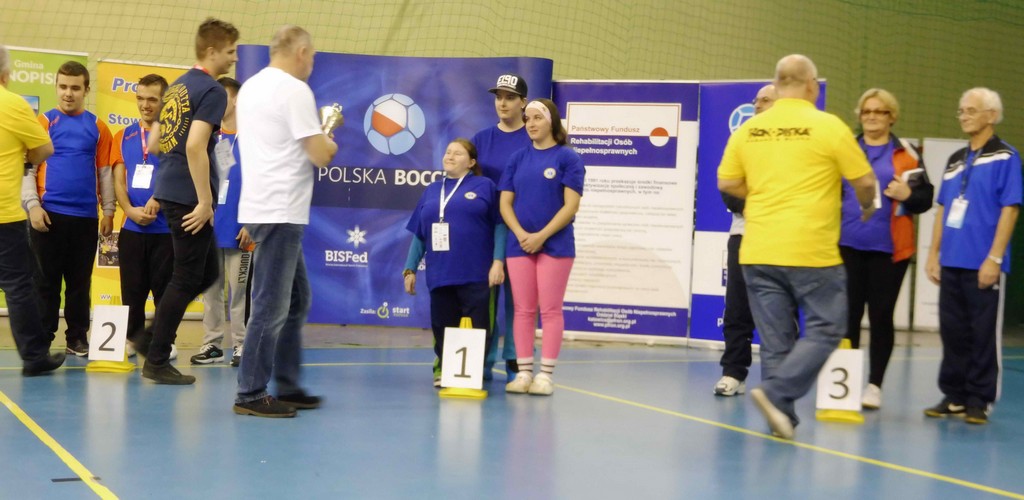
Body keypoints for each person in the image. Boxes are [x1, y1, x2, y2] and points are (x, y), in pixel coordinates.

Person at [717, 54, 877, 439]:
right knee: (828, 327)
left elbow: (727, 183)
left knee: (776, 341)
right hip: (811, 250)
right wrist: (867, 206)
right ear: (811, 87)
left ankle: (782, 418)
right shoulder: (828, 126)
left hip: (758, 250)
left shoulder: (749, 130)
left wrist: (764, 195)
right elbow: (865, 181)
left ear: (777, 84)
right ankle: (777, 393)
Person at [235, 25, 338, 417]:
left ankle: (288, 384)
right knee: (271, 306)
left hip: (264, 205)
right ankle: (250, 392)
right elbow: (319, 155)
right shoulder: (295, 90)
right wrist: (329, 137)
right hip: (281, 210)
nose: (312, 64)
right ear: (301, 51)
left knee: (295, 299)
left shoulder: (251, 87)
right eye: (312, 57)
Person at [135, 17, 239, 384]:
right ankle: (156, 357)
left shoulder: (178, 86)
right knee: (186, 276)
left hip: (170, 187)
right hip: (189, 196)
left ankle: (151, 338)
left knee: (206, 273)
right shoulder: (212, 90)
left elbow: (154, 143)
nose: (234, 59)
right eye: (230, 52)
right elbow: (195, 145)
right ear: (211, 51)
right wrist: (205, 201)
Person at [924, 87, 1021, 425]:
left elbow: (1010, 208)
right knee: (952, 332)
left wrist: (994, 259)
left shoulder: (1006, 157)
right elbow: (943, 209)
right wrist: (933, 254)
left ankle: (979, 399)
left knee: (982, 334)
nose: (963, 116)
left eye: (971, 110)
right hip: (951, 261)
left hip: (983, 264)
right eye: (961, 110)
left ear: (991, 116)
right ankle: (954, 396)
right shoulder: (955, 160)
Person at [841, 89, 933, 409]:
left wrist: (909, 194)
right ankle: (846, 385)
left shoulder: (907, 153)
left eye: (879, 111)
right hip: (846, 247)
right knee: (848, 317)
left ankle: (874, 385)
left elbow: (925, 199)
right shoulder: (847, 148)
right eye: (866, 111)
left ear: (891, 117)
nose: (871, 117)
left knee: (881, 316)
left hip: (889, 251)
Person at [22, 61, 114, 357]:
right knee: (45, 283)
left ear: (86, 90)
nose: (68, 93)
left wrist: (108, 211)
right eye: (63, 87)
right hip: (48, 216)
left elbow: (105, 173)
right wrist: (32, 206)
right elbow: (28, 168)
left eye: (75, 88)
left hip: (85, 218)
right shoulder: (43, 122)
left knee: (79, 284)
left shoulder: (99, 128)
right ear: (56, 87)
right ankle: (42, 340)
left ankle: (77, 338)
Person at [500, 98, 585, 396]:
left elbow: (571, 206)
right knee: (523, 310)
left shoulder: (568, 158)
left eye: (537, 117)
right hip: (519, 245)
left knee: (550, 310)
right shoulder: (517, 158)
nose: (531, 123)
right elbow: (505, 203)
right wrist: (521, 233)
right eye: (527, 119)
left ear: (552, 121)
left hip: (556, 246)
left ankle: (545, 376)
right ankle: (524, 373)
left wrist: (541, 236)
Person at [403, 139, 505, 387]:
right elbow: (420, 234)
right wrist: (410, 268)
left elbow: (500, 226)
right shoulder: (431, 190)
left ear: (471, 162)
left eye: (458, 153)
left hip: (477, 274)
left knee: (480, 327)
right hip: (440, 273)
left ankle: (472, 373)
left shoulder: (485, 186)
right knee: (442, 325)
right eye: (448, 152)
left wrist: (498, 262)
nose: (450, 156)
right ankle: (445, 370)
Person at [0, 44, 65, 376]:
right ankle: (34, 357)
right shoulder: (13, 104)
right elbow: (44, 148)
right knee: (18, 285)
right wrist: (27, 161)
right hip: (4, 215)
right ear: (6, 73)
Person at [715, 84, 776, 397]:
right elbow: (728, 188)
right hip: (743, 236)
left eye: (765, 100)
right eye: (756, 100)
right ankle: (733, 373)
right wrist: (763, 203)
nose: (758, 105)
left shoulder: (794, 145)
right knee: (737, 309)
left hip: (781, 237)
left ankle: (777, 380)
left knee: (777, 312)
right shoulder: (741, 140)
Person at [110, 74, 174, 358]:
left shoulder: (174, 136)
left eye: (152, 99)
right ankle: (132, 339)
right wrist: (128, 210)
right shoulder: (123, 136)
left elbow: (178, 173)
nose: (145, 105)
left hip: (165, 230)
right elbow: (118, 179)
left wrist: (158, 198)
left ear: (164, 101)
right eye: (140, 98)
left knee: (165, 292)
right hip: (132, 229)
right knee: (132, 292)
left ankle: (164, 341)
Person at [472, 73, 531, 380]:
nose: (503, 103)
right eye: (499, 97)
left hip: (523, 229)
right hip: (486, 231)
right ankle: (482, 360)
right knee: (486, 298)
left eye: (510, 98)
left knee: (520, 299)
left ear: (523, 102)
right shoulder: (481, 139)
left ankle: (515, 360)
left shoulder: (533, 138)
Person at [192, 77, 252, 368]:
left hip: (241, 232)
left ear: (236, 99)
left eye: (221, 97)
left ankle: (242, 345)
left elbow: (262, 184)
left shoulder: (254, 139)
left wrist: (252, 223)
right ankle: (213, 345)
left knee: (239, 293)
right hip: (211, 229)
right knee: (211, 291)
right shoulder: (210, 139)